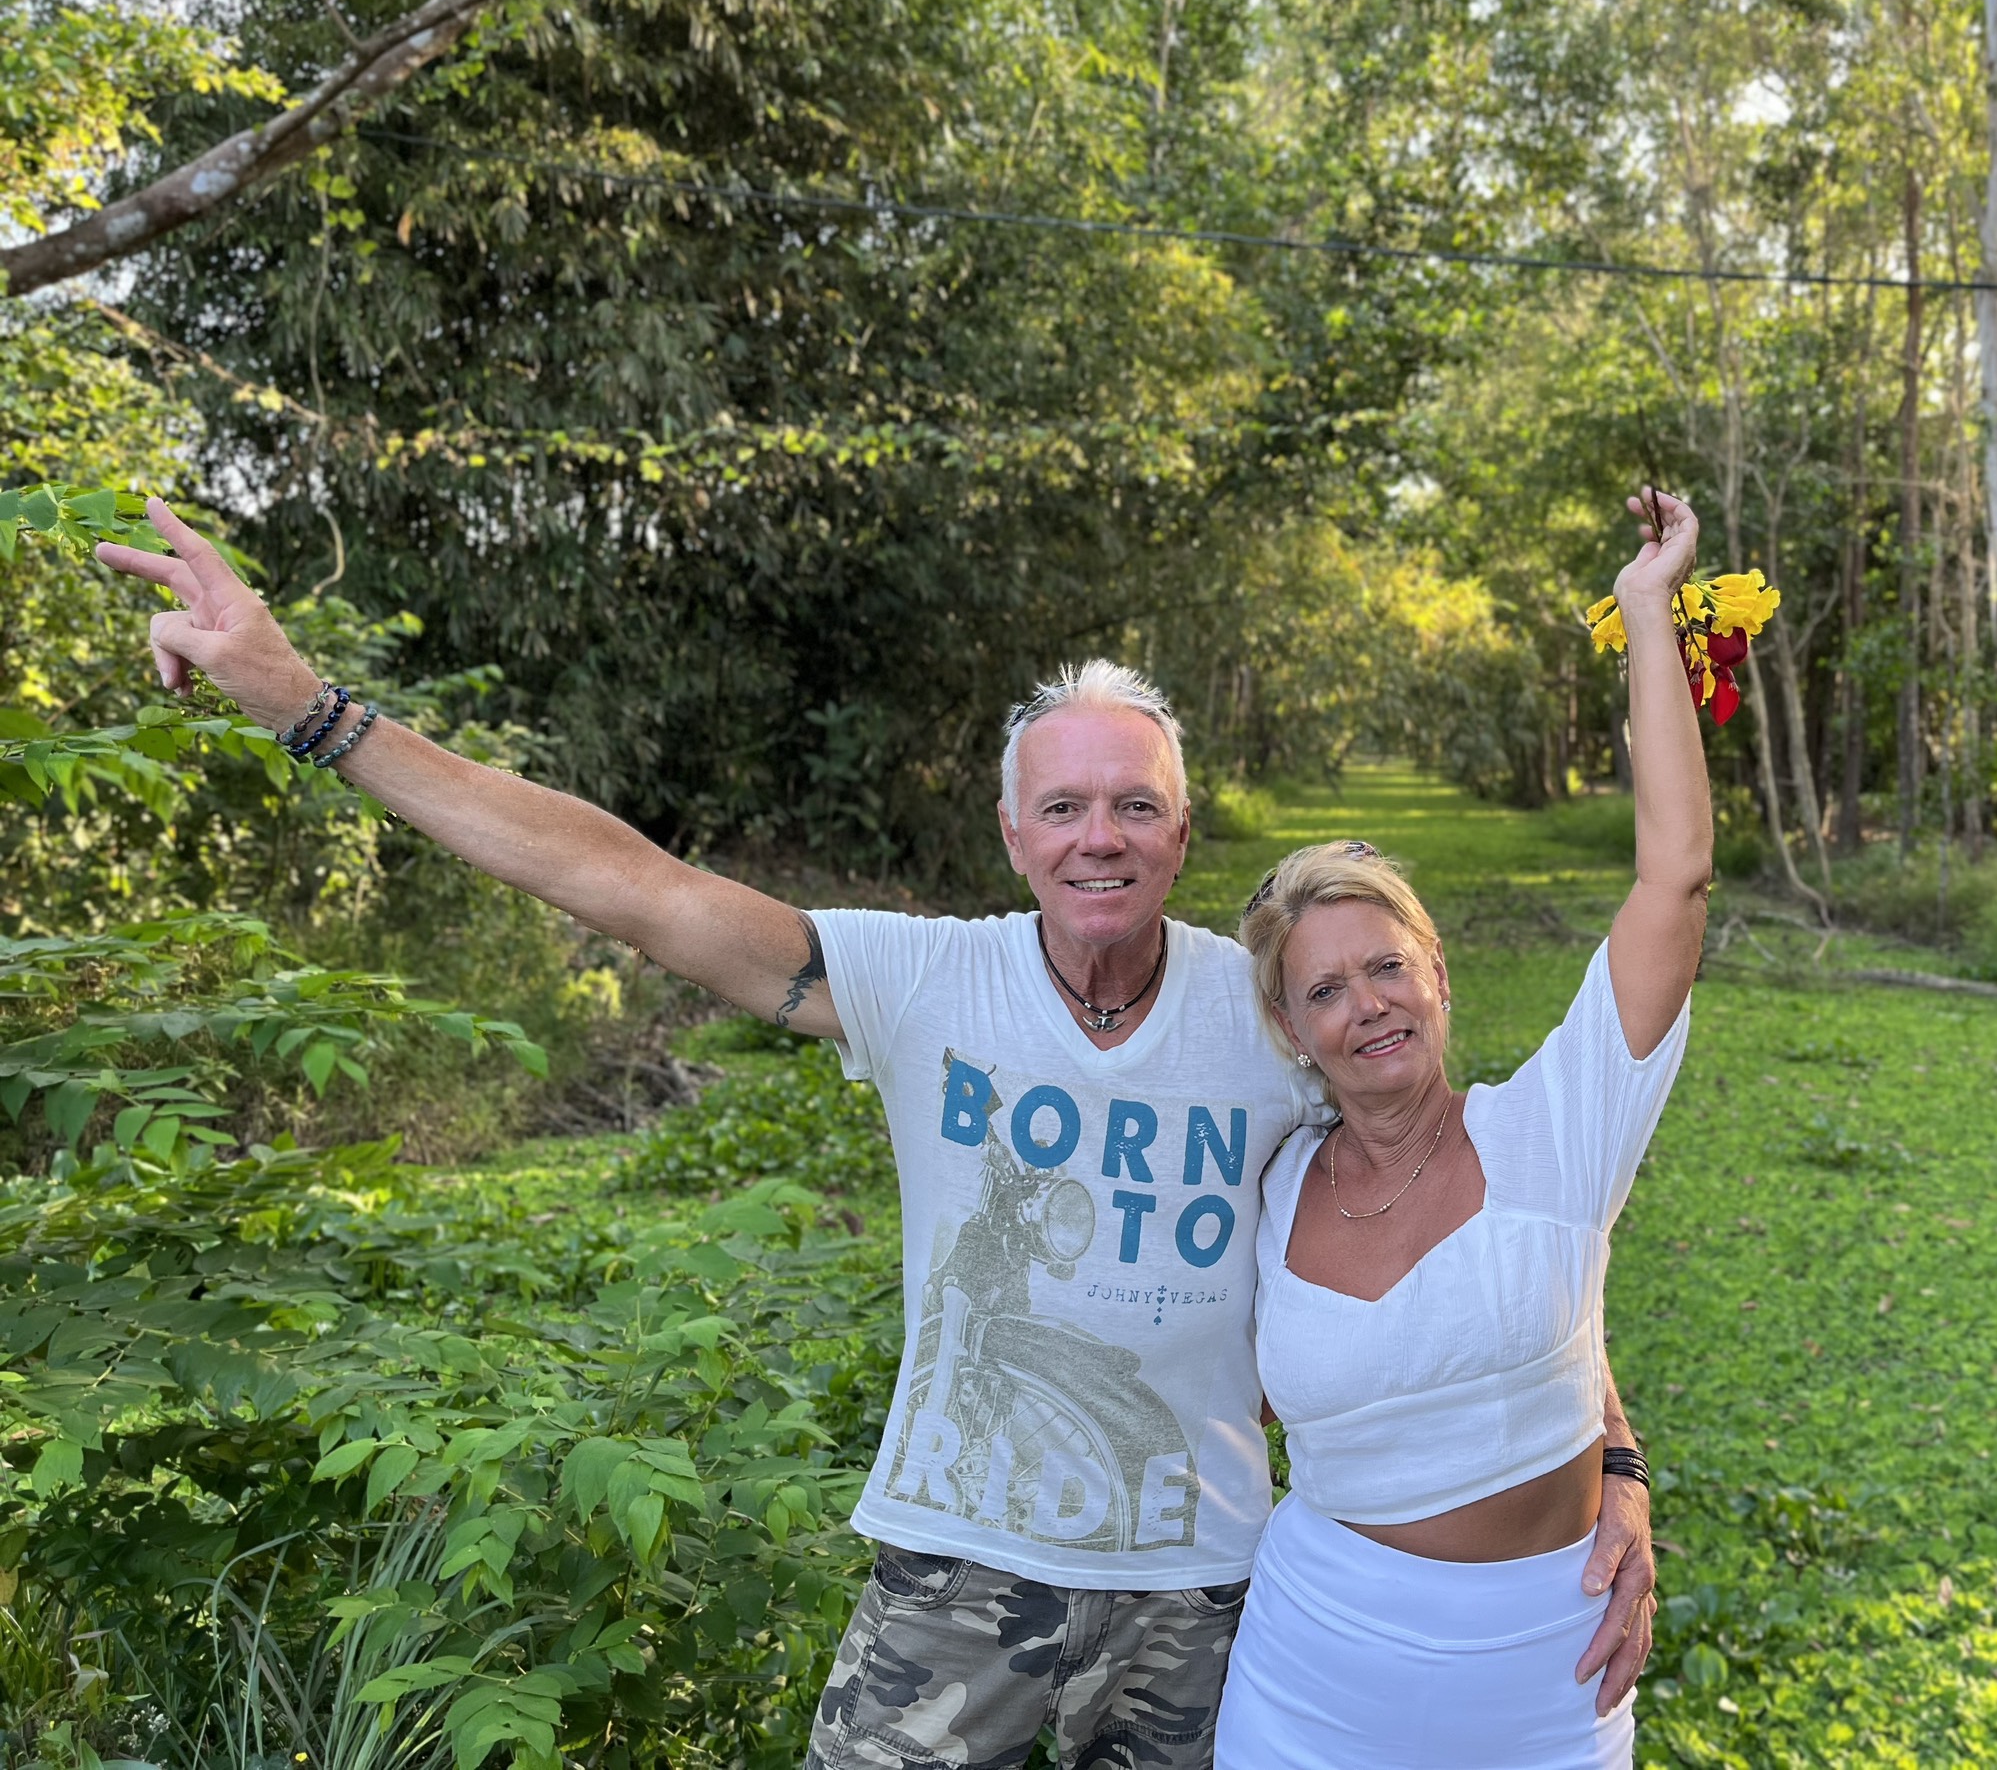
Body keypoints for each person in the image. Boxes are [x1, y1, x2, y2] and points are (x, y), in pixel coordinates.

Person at [95, 500, 1661, 1770]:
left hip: (1206, 1590)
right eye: (1063, 807)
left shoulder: (1274, 1009)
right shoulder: (924, 981)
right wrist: (311, 707)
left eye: (1133, 805)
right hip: (953, 1578)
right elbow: (627, 881)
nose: (1097, 835)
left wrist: (1614, 1459)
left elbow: (1479, 1214)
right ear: (1011, 834)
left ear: (1185, 831)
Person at [1220, 487, 1711, 1769]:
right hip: (1312, 1660)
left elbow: (1674, 878)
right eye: (1323, 990)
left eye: (1385, 967)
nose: (1365, 1007)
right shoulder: (1264, 1187)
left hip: (1543, 1666)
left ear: (1437, 974)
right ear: (1290, 1029)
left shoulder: (1558, 1128)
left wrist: (1649, 610)